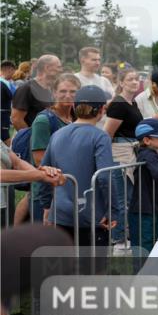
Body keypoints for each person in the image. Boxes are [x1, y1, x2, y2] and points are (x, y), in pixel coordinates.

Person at [36, 85, 123, 249]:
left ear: (75, 107)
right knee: (93, 270)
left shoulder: (57, 134)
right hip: (90, 214)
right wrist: (113, 211)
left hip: (60, 213)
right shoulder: (100, 136)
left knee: (65, 268)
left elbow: (44, 172)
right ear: (102, 110)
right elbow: (104, 176)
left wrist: (47, 206)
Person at [21, 73, 80, 224]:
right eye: (63, 91)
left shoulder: (75, 118)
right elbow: (39, 160)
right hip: (47, 193)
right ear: (54, 93)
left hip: (67, 189)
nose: (68, 95)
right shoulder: (44, 120)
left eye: (73, 91)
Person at [104, 69, 143, 246]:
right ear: (121, 83)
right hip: (120, 153)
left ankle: (124, 233)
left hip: (132, 150)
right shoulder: (119, 104)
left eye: (137, 79)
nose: (135, 82)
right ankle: (117, 237)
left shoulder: (132, 102)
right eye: (130, 79)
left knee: (129, 197)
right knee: (122, 198)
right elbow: (107, 134)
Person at [130, 118, 158, 255]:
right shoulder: (146, 154)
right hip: (143, 210)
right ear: (147, 141)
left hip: (155, 207)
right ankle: (140, 274)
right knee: (144, 246)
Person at [10, 54, 62, 130]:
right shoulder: (26, 89)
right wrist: (32, 138)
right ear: (47, 68)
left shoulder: (52, 88)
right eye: (58, 67)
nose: (61, 70)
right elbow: (16, 119)